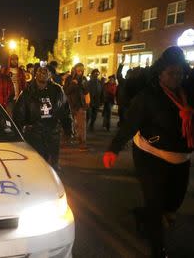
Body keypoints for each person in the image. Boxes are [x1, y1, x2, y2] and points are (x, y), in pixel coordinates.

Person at [103, 46, 193, 258]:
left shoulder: (188, 93)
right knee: (155, 203)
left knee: (173, 203)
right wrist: (113, 149)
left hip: (181, 158)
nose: (176, 77)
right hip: (150, 155)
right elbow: (129, 125)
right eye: (171, 73)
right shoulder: (148, 97)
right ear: (160, 74)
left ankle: (142, 215)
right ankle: (157, 249)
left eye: (180, 72)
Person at [14, 65, 73, 171]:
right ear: (35, 75)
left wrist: (68, 129)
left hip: (53, 133)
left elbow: (65, 110)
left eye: (46, 71)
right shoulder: (27, 92)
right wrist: (18, 133)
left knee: (52, 168)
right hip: (34, 134)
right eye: (40, 71)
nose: (43, 73)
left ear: (50, 75)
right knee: (36, 167)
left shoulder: (57, 90)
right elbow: (19, 114)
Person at [64, 63, 89, 151]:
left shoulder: (84, 79)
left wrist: (87, 103)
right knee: (72, 123)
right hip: (70, 104)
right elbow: (66, 91)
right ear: (74, 70)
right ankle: (70, 136)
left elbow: (86, 91)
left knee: (82, 124)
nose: (80, 73)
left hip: (80, 105)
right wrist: (73, 84)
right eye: (78, 70)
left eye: (82, 71)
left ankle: (82, 142)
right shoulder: (69, 79)